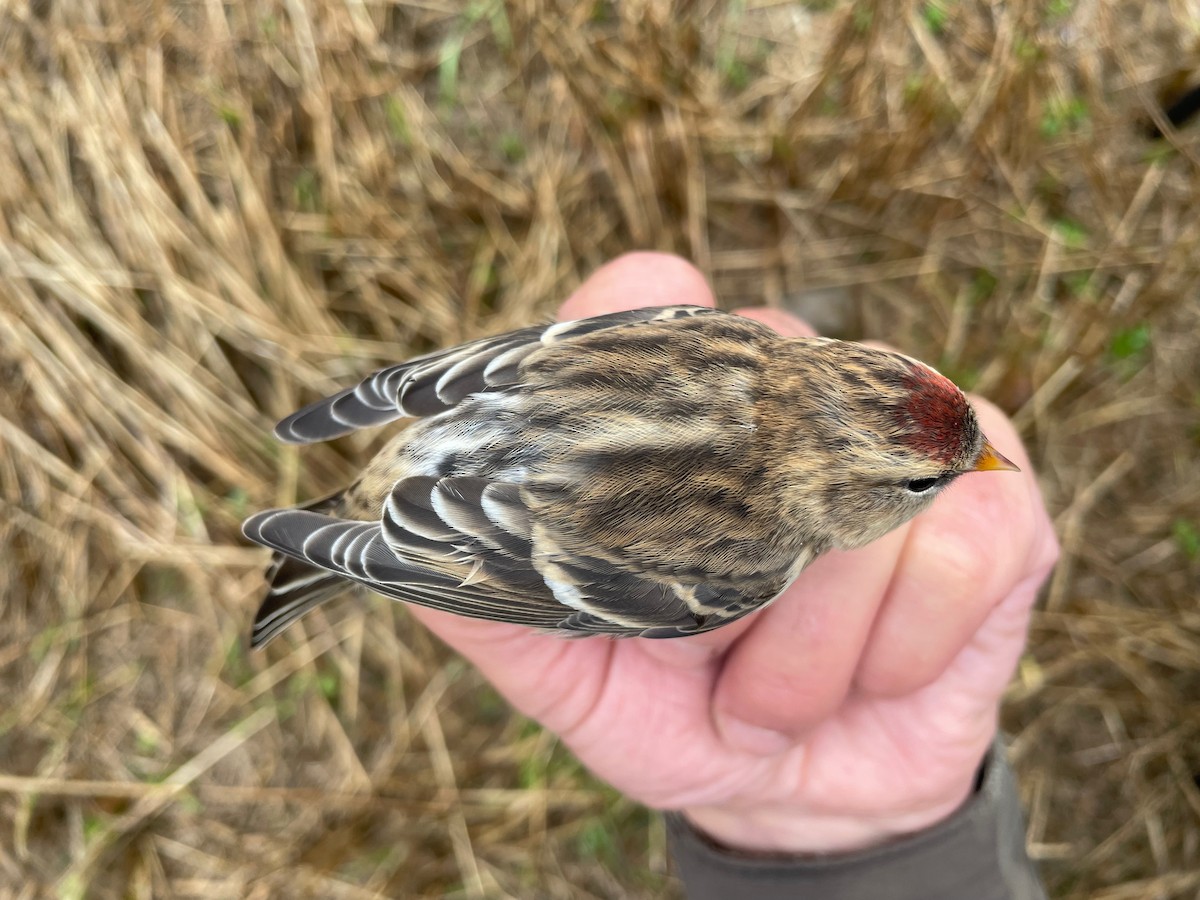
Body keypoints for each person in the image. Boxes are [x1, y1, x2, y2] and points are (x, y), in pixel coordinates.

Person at [402, 252, 1060, 898]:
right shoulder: (751, 561)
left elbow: (542, 355)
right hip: (453, 529)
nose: (986, 465)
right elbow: (538, 577)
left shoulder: (728, 339)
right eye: (922, 482)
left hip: (451, 403)